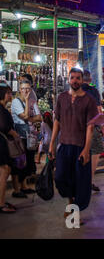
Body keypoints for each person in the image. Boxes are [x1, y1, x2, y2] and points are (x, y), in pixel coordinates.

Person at [49, 68, 98, 223]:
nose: (75, 81)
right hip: (64, 145)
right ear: (68, 79)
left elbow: (90, 127)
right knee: (61, 177)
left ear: (82, 80)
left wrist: (86, 150)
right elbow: (57, 122)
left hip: (80, 146)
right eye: (72, 78)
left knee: (79, 182)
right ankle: (71, 205)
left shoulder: (89, 100)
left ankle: (74, 212)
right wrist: (51, 145)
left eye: (78, 78)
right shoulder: (62, 98)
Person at [11, 80, 42, 198]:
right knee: (19, 162)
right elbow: (23, 116)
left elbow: (40, 118)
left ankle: (24, 186)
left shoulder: (33, 102)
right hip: (20, 136)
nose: (26, 91)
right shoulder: (16, 102)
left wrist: (29, 118)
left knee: (28, 162)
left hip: (31, 136)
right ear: (20, 90)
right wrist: (28, 102)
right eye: (23, 89)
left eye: (28, 89)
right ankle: (17, 189)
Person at [81, 70, 104, 192]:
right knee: (95, 152)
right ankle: (88, 181)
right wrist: (102, 127)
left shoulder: (73, 91)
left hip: (77, 128)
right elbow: (99, 111)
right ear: (90, 79)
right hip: (92, 126)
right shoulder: (93, 91)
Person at [0, 83, 18, 213]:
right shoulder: (1, 110)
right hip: (1, 144)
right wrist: (15, 135)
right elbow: (4, 127)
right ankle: (1, 203)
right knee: (4, 171)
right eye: (8, 93)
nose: (10, 96)